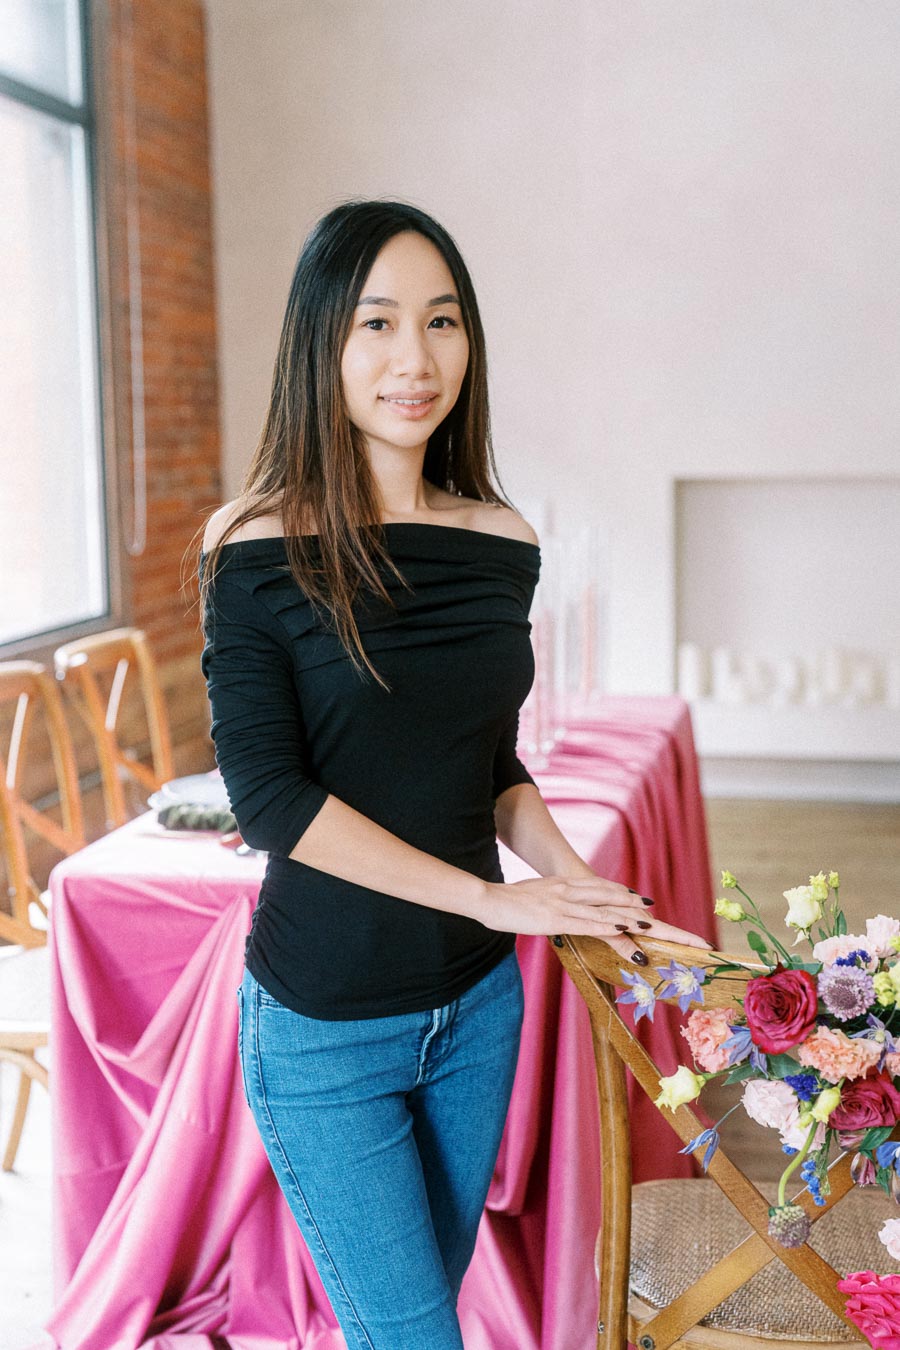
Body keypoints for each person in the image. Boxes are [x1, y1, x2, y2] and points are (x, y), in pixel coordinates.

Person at [199, 199, 710, 1350]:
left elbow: (487, 759)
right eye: (377, 323)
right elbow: (270, 802)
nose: (415, 359)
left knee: (411, 1324)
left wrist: (574, 888)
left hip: (478, 1012)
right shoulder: (253, 547)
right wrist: (491, 896)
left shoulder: (501, 540)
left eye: (442, 321)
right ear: (322, 342)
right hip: (325, 1023)